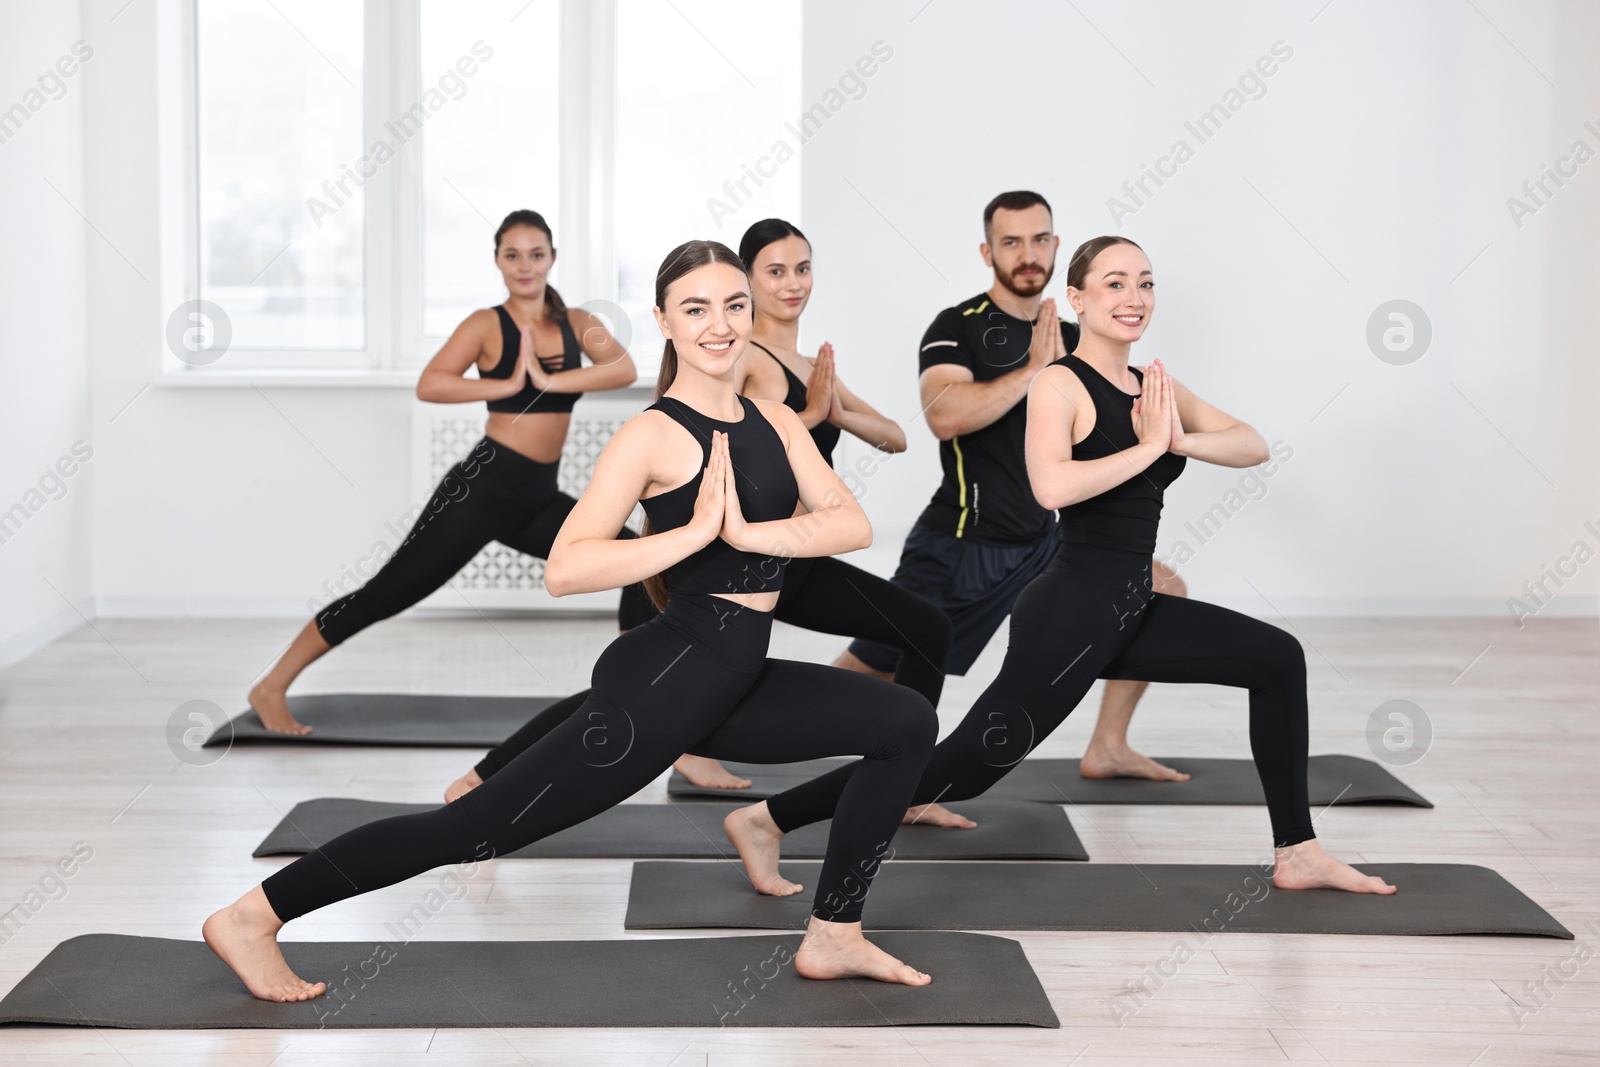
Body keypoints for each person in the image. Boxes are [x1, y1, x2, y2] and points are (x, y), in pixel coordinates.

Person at [202, 240, 940, 1003]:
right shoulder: (652, 434)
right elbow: (567, 567)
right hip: (666, 682)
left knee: (905, 722)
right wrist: (689, 535)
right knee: (472, 831)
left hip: (735, 674)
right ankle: (254, 915)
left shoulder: (776, 422)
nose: (718, 325)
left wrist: (750, 534)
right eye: (695, 309)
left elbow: (848, 522)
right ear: (664, 320)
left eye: (732, 306)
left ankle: (834, 933)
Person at [729, 236, 1398, 896]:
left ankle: (1298, 850)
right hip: (1071, 610)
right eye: (1114, 283)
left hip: (1132, 605)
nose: (1133, 298)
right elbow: (1051, 486)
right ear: (1076, 298)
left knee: (1278, 657)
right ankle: (767, 818)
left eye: (1145, 282)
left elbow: (1250, 443)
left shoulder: (1153, 386)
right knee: (966, 765)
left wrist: (1177, 436)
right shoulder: (1060, 383)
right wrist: (1147, 449)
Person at [447, 218, 952, 800]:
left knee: (922, 626)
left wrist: (830, 411)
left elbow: (894, 436)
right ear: (746, 286)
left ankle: (902, 785)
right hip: (712, 557)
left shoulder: (811, 367)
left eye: (803, 268)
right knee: (622, 702)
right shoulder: (741, 356)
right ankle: (489, 779)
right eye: (774, 272)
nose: (792, 284)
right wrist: (809, 420)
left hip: (782, 553)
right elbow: (724, 436)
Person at [830, 192, 1191, 802]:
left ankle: (1106, 745)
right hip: (963, 544)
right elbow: (944, 416)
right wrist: (1034, 370)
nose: (1028, 254)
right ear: (987, 251)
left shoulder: (1085, 334)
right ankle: (722, 736)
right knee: (877, 668)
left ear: (1056, 247)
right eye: (1011, 242)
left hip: (1050, 542)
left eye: (1040, 239)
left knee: (1162, 588)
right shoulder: (958, 326)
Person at [246, 210, 648, 735]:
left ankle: (623, 695)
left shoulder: (576, 323)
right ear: (498, 261)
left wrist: (545, 381)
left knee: (639, 562)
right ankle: (270, 686)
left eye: (536, 254)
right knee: (386, 593)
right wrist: (506, 386)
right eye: (512, 255)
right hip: (482, 488)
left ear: (552, 258)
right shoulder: (486, 324)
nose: (525, 266)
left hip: (537, 496)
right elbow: (431, 384)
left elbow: (625, 369)